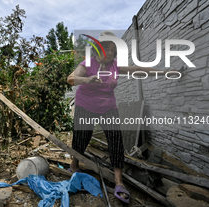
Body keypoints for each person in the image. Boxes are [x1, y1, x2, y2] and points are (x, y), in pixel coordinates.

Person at [67, 31, 179, 204]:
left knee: (116, 140)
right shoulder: (87, 63)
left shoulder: (115, 65)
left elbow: (139, 70)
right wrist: (88, 80)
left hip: (108, 107)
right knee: (82, 136)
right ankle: (74, 166)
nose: (110, 52)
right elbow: (71, 79)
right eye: (107, 48)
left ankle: (119, 181)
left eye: (113, 49)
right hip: (85, 106)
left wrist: (163, 72)